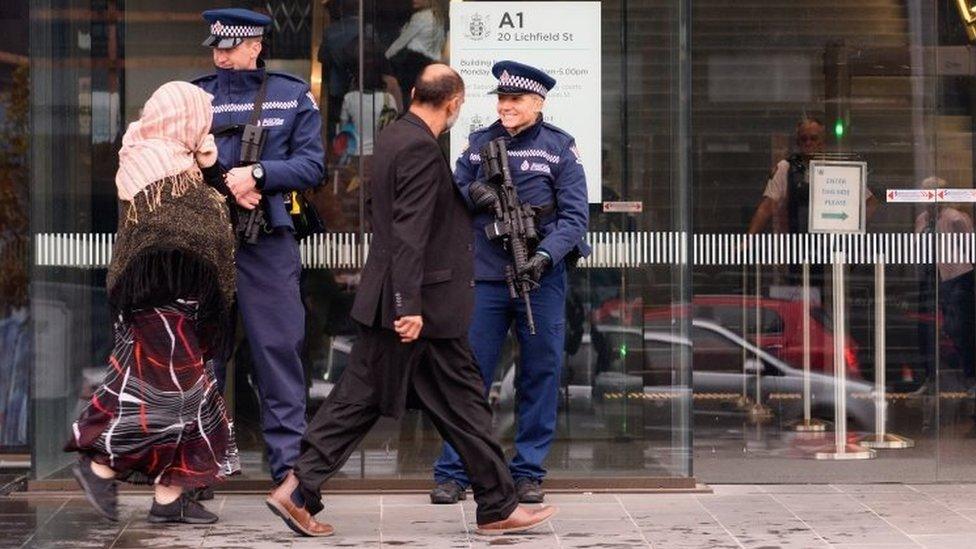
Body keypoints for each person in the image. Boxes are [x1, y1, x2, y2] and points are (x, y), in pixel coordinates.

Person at [263, 64, 558, 538]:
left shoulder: (393, 138)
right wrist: (409, 305)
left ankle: (299, 489)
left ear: (415, 92)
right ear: (454, 105)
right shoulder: (421, 148)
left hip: (401, 300)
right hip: (420, 307)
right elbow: (408, 232)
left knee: (392, 403)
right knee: (442, 404)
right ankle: (496, 504)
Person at [66, 81, 240, 524]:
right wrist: (212, 179)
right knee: (171, 396)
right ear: (184, 118)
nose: (208, 126)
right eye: (203, 119)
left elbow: (218, 212)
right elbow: (186, 230)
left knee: (196, 399)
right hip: (156, 296)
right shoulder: (156, 162)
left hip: (177, 299)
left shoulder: (180, 160)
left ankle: (170, 498)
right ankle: (99, 463)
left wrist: (210, 164)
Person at [432, 60, 590, 505]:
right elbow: (454, 185)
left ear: (537, 103)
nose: (505, 106)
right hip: (486, 275)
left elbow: (575, 219)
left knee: (540, 373)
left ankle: (527, 472)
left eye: (515, 100)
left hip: (541, 278)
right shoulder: (481, 144)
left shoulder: (560, 148)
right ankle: (453, 470)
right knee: (469, 376)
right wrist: (475, 192)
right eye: (501, 99)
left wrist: (543, 256)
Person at [192, 8, 325, 490]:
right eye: (216, 48)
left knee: (278, 352)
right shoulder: (195, 94)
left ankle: (289, 470)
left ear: (255, 46)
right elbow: (168, 160)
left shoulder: (291, 95)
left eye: (229, 48)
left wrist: (260, 174)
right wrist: (225, 184)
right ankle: (193, 472)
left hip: (266, 242)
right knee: (202, 355)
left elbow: (313, 166)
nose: (220, 57)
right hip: (206, 240)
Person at [747, 117, 878, 235]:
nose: (808, 143)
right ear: (798, 142)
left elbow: (871, 203)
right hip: (797, 245)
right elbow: (767, 207)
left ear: (823, 142)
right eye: (804, 139)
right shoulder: (785, 168)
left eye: (813, 138)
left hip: (831, 247)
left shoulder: (838, 169)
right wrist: (748, 239)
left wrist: (851, 229)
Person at [914, 176, 975, 395]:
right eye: (926, 193)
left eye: (935, 193)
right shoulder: (922, 219)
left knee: (958, 327)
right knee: (926, 329)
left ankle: (970, 377)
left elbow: (969, 246)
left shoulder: (956, 218)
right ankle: (930, 378)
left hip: (955, 277)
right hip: (929, 278)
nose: (930, 198)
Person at [386, 0, 446, 109]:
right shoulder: (437, 17)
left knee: (409, 97)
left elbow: (402, 41)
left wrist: (385, 57)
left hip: (414, 62)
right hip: (429, 63)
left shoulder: (421, 17)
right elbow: (440, 43)